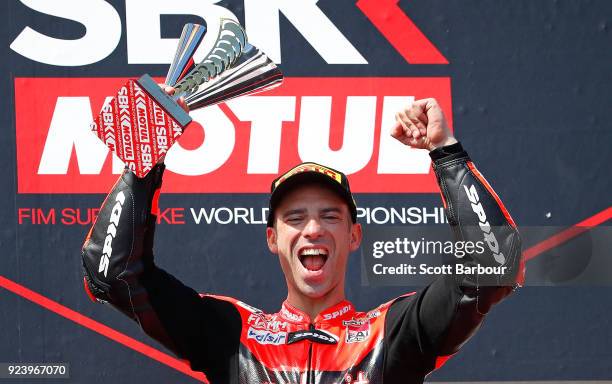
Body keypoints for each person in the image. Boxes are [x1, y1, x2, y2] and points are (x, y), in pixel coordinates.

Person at [81, 98, 523, 384]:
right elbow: (112, 273)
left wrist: (444, 151)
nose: (313, 229)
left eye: (330, 216)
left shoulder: (391, 335)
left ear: (354, 236)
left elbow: (494, 266)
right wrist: (143, 166)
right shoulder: (232, 334)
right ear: (273, 239)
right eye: (296, 217)